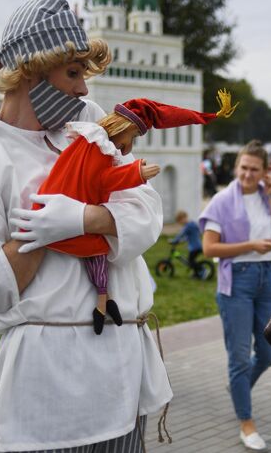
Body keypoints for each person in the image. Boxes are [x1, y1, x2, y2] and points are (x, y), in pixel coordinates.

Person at [0, 0, 171, 452]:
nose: (85, 90)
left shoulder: (86, 125)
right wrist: (45, 227)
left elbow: (147, 215)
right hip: (51, 388)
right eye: (73, 73)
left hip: (126, 372)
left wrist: (79, 215)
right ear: (30, 70)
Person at [27, 95, 235, 334]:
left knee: (98, 257)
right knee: (96, 253)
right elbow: (103, 180)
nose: (130, 146)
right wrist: (137, 172)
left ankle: (104, 302)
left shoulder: (96, 141)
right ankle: (104, 303)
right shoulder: (98, 145)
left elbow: (143, 210)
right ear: (123, 127)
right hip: (66, 217)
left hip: (73, 211)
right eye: (134, 136)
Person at [199, 140, 271, 451]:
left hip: (268, 280)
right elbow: (209, 248)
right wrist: (250, 245)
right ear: (236, 167)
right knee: (239, 356)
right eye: (243, 168)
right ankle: (246, 421)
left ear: (265, 172)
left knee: (268, 353)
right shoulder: (222, 200)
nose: (247, 174)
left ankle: (238, 387)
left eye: (254, 169)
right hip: (236, 282)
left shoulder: (268, 198)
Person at [170, 210, 204, 278]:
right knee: (191, 261)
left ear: (185, 218)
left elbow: (181, 234)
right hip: (198, 246)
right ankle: (196, 274)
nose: (180, 222)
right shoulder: (192, 224)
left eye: (180, 220)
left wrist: (174, 240)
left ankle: (202, 270)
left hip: (195, 247)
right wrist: (180, 241)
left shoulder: (188, 226)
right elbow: (188, 236)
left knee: (191, 262)